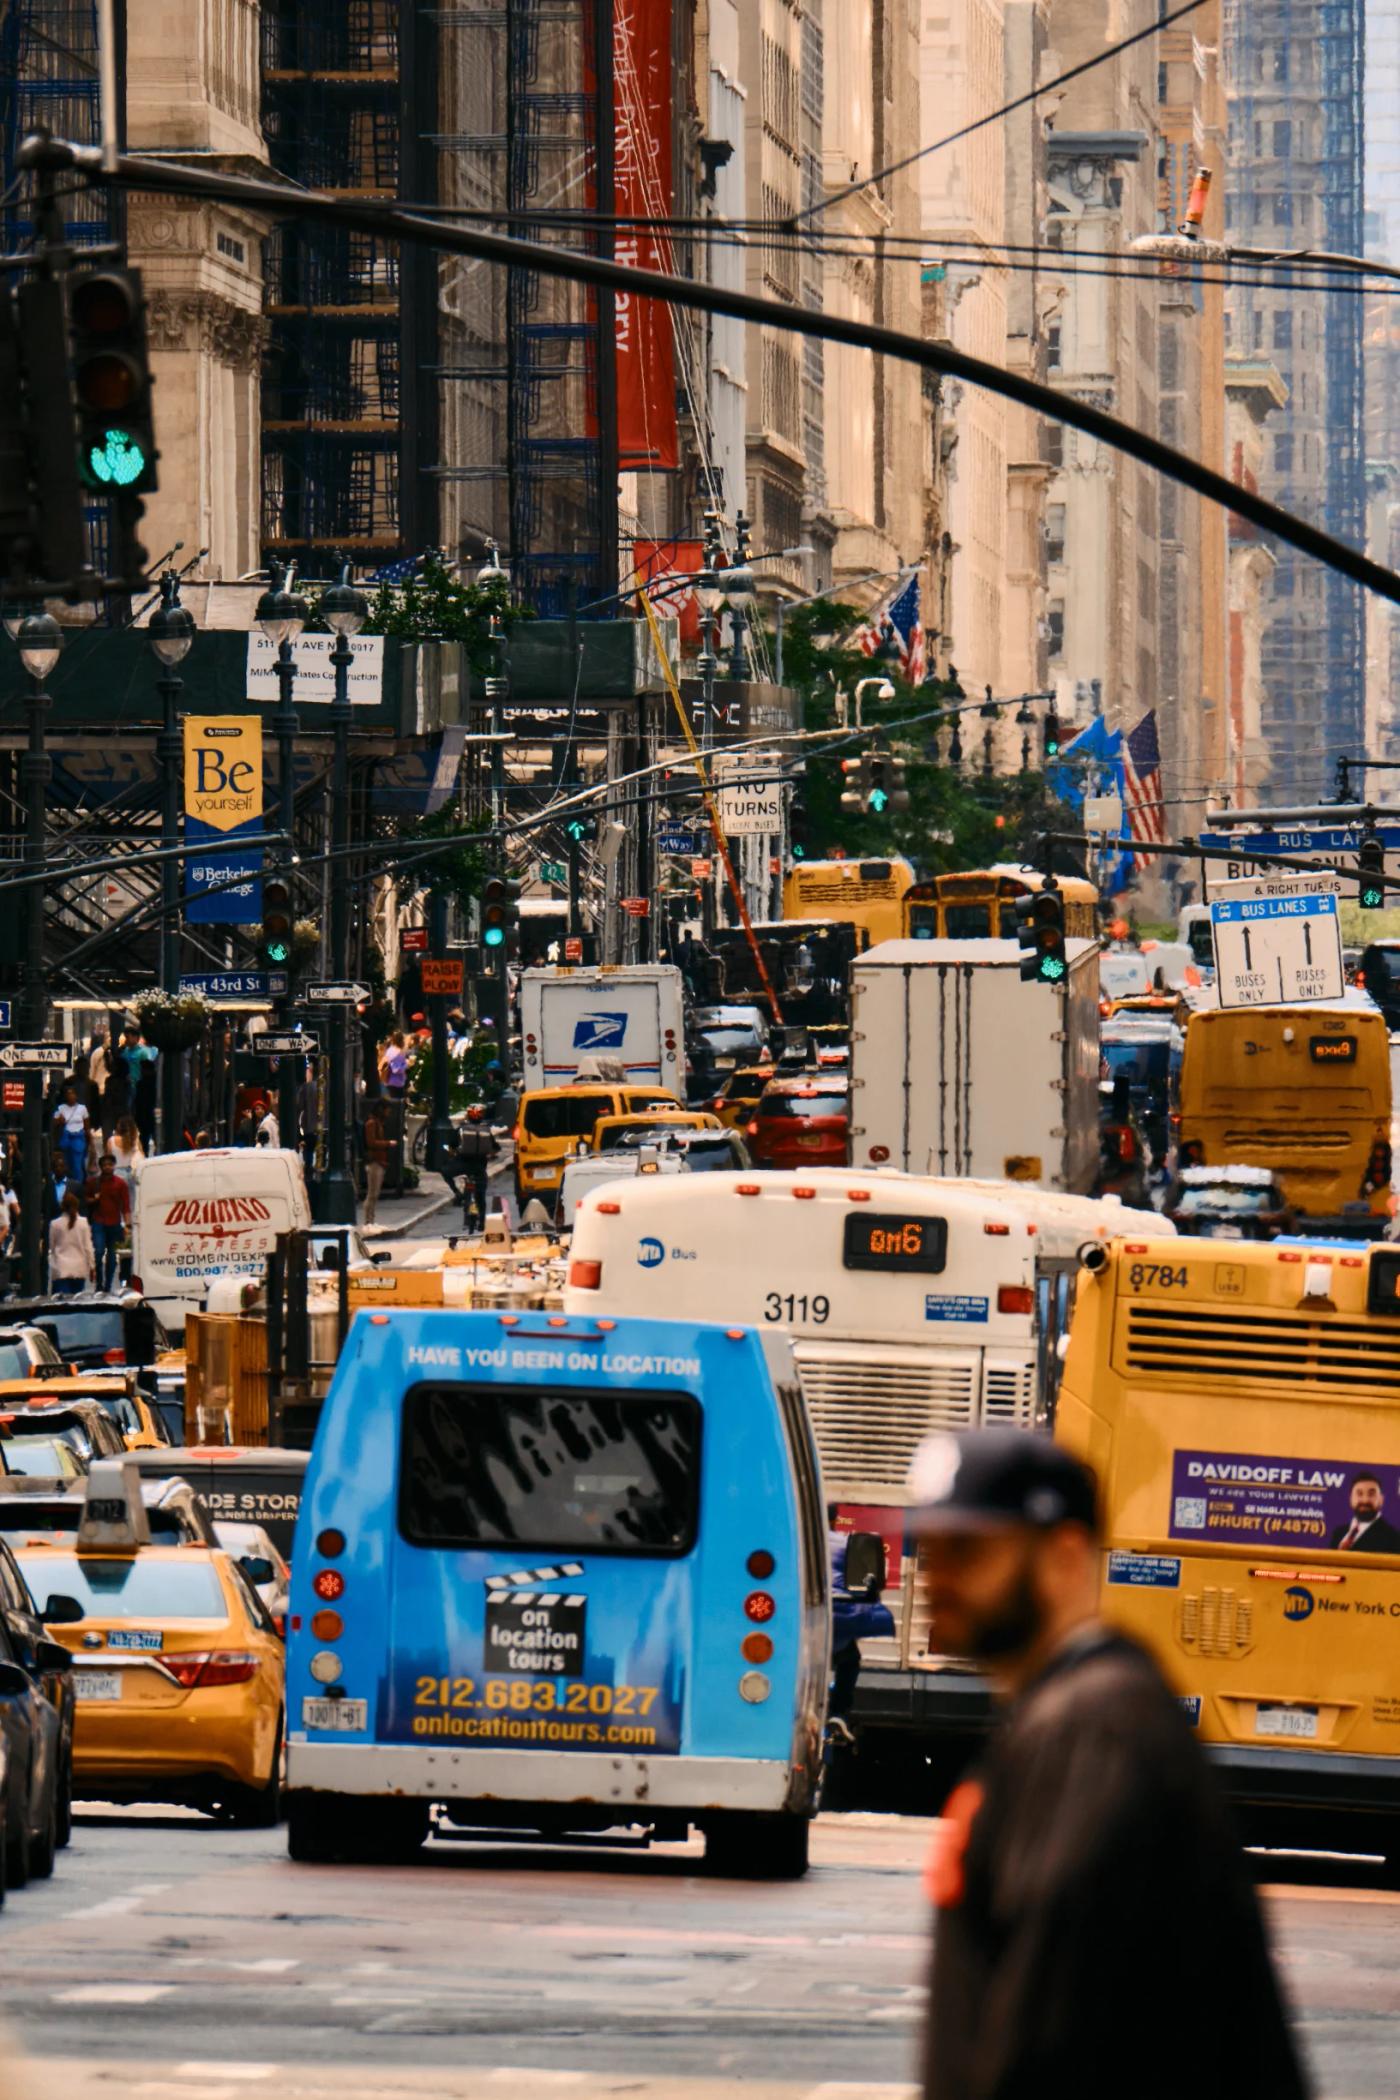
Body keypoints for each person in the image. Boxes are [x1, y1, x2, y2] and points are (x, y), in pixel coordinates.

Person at [913, 1427, 1309, 2100]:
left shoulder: (1092, 1734)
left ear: (1064, 1559)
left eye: (969, 1550)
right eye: (928, 1550)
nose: (935, 1579)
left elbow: (1049, 2036)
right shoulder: (1072, 1716)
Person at [82, 1151, 132, 1294]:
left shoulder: (120, 1184)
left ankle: (107, 1285)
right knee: (98, 1253)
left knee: (112, 1257)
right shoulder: (93, 1183)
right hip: (98, 1222)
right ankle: (99, 1282)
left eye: (110, 1164)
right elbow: (84, 1200)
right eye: (105, 1165)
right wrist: (94, 1199)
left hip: (115, 1224)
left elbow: (126, 1206)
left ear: (114, 1166)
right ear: (101, 1167)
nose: (108, 1167)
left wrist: (127, 1225)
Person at [443, 1105, 498, 1227]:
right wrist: (489, 1155)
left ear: (468, 1116)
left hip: (462, 1165)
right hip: (479, 1167)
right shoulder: (486, 1131)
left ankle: (457, 1193)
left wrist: (452, 1152)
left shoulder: (461, 1129)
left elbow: (451, 1146)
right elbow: (496, 1148)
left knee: (445, 1171)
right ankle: (482, 1222)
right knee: (481, 1196)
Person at [1328, 1473, 1400, 1553]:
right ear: (1351, 1498)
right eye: (1359, 1494)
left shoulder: (1393, 1538)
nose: (1365, 1500)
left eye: (1371, 1494)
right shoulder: (1338, 1533)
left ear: (1381, 1500)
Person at [49, 1189, 95, 1296]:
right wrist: (92, 1266)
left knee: (61, 1303)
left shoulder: (55, 1224)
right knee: (76, 1301)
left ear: (62, 1206)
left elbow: (52, 1246)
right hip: (79, 1268)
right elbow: (88, 1247)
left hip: (61, 1268)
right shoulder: (83, 1223)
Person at [52, 1083, 90, 1188]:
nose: (70, 1096)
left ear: (76, 1095)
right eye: (68, 1094)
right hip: (66, 1137)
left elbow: (87, 1127)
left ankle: (77, 1186)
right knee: (66, 1163)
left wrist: (89, 1143)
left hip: (78, 1137)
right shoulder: (61, 1108)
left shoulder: (82, 1108)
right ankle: (67, 1184)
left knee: (77, 1164)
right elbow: (53, 1123)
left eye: (72, 1093)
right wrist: (59, 1120)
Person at [363, 1102, 389, 1225]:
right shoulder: (372, 1124)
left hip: (378, 1161)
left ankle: (370, 1220)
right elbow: (371, 1142)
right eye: (387, 1110)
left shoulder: (377, 1123)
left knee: (374, 1193)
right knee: (372, 1193)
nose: (388, 1113)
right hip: (374, 1162)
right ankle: (368, 1221)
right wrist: (388, 1143)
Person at [109, 1113, 145, 1193]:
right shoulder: (135, 1140)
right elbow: (142, 1155)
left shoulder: (111, 1141)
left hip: (116, 1174)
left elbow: (109, 1159)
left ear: (119, 1126)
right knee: (131, 1201)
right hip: (132, 1173)